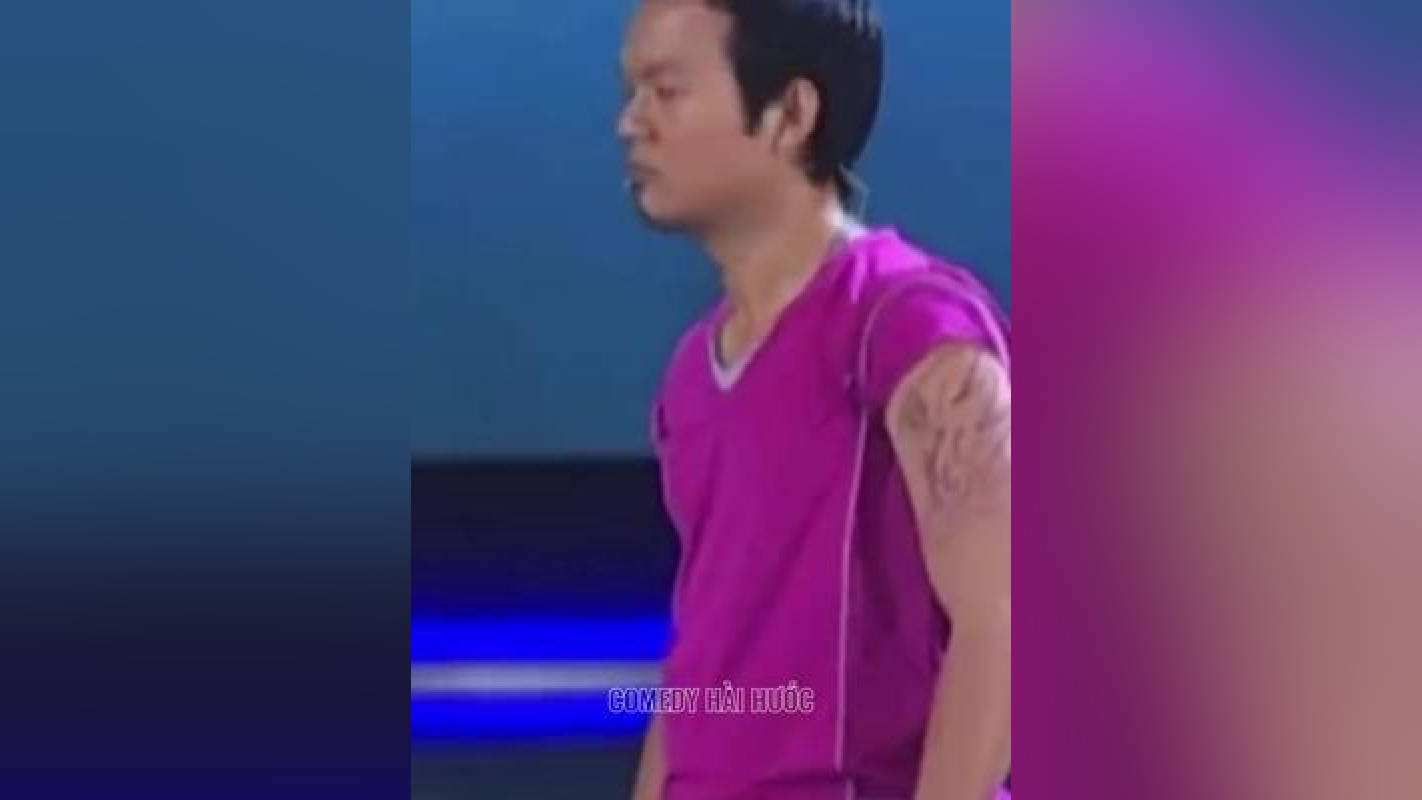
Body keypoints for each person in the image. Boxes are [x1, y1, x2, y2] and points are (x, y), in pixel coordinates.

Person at [618, 1, 1010, 798]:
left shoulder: (909, 322)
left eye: (667, 91)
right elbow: (701, 659)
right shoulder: (692, 371)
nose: (631, 123)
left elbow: (1004, 618)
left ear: (791, 113)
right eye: (632, 92)